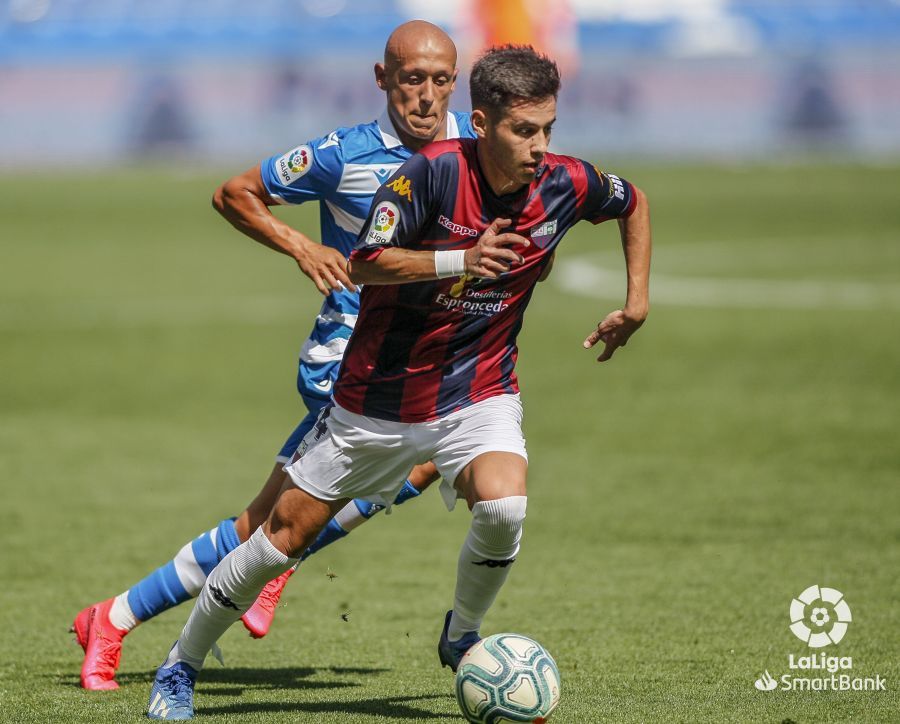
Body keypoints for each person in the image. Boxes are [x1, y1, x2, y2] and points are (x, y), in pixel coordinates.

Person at [146, 44, 651, 720]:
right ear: (481, 124)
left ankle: (462, 631)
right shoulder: (429, 175)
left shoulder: (566, 181)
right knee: (277, 542)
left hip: (479, 390)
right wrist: (460, 258)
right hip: (376, 401)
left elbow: (633, 201)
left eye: (547, 129)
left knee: (504, 508)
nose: (539, 146)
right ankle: (181, 664)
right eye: (522, 130)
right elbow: (367, 263)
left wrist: (636, 301)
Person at [71, 20, 474, 691]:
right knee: (297, 514)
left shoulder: (474, 146)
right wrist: (304, 247)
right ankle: (145, 611)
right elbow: (234, 193)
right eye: (411, 80)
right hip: (348, 360)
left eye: (439, 80)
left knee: (312, 506)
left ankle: (119, 615)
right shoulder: (343, 155)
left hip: (421, 360)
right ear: (383, 80)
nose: (426, 96)